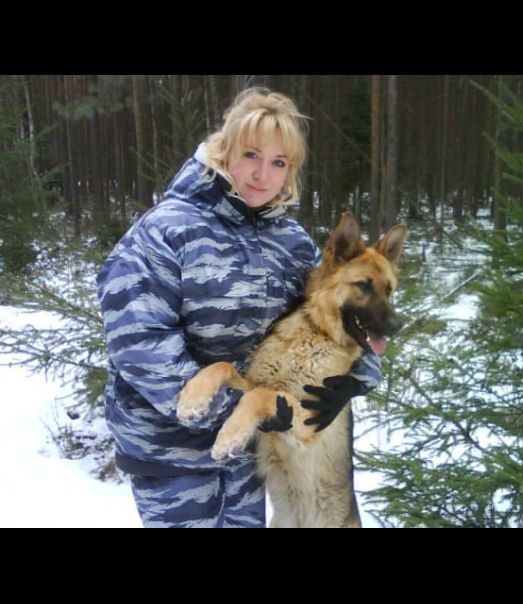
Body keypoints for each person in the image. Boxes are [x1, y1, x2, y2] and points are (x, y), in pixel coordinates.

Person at [97, 87, 381, 528]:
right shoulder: (166, 231)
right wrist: (243, 408)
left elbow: (339, 315)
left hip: (250, 455)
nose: (262, 175)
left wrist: (354, 380)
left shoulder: (291, 243)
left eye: (279, 162)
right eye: (251, 155)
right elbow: (138, 343)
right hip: (173, 455)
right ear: (224, 149)